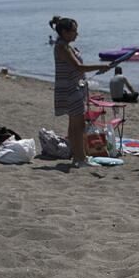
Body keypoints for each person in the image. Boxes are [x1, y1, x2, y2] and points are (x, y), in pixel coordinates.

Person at [49, 15, 117, 169]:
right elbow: (78, 67)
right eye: (74, 31)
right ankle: (80, 159)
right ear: (65, 32)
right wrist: (100, 67)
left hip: (74, 88)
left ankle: (79, 157)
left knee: (75, 125)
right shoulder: (62, 47)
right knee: (77, 126)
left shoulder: (66, 45)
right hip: (69, 90)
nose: (76, 34)